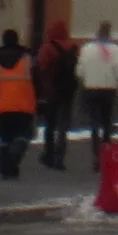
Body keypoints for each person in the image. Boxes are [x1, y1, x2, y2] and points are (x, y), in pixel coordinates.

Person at [75, 21, 118, 164]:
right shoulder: (115, 50)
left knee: (94, 121)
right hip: (108, 90)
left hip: (91, 89)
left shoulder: (87, 49)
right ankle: (106, 148)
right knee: (107, 121)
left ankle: (95, 152)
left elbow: (80, 71)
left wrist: (86, 79)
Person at [0, 29, 38, 179]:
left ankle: (5, 167)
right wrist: (42, 99)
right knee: (22, 135)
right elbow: (37, 80)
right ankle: (13, 158)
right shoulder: (27, 59)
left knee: (5, 137)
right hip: (24, 104)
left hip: (1, 104)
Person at [36, 18, 79, 170]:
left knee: (50, 124)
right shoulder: (73, 47)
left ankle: (48, 154)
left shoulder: (47, 48)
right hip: (68, 90)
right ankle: (60, 156)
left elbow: (41, 66)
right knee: (63, 125)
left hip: (52, 89)